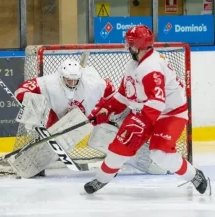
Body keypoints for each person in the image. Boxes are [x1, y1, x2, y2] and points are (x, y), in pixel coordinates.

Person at [85, 25, 210, 195]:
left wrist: (141, 123)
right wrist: (106, 110)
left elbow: (158, 102)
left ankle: (195, 175)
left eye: (129, 43)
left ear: (138, 45)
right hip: (144, 112)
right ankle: (101, 179)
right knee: (119, 148)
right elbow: (124, 94)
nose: (127, 47)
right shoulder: (133, 65)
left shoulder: (151, 68)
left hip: (170, 114)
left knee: (160, 154)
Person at [13, 58, 166, 177]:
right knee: (33, 100)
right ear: (61, 77)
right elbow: (22, 89)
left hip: (88, 116)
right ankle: (37, 159)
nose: (72, 83)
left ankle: (133, 146)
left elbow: (112, 92)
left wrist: (107, 111)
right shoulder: (49, 83)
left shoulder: (92, 83)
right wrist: (26, 101)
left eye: (75, 80)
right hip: (60, 119)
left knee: (107, 128)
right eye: (68, 80)